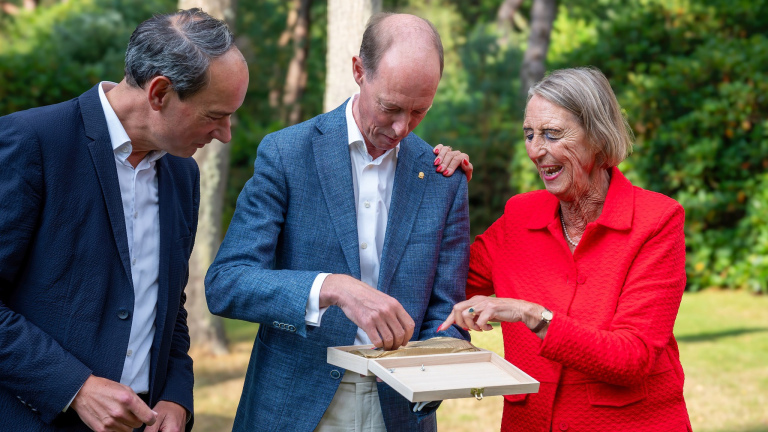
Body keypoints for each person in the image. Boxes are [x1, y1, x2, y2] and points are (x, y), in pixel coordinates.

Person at [205, 12, 471, 432]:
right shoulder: (286, 153)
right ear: (358, 71)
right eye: (391, 107)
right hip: (293, 408)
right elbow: (227, 284)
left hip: (400, 414)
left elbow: (447, 311)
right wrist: (330, 287)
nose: (402, 127)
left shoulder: (444, 179)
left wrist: (441, 360)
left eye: (420, 110)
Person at [0, 9, 248, 432]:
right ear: (159, 93)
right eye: (214, 115)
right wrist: (74, 388)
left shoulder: (183, 172)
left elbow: (169, 304)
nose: (226, 134)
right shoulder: (33, 142)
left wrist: (176, 394)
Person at [440, 67, 692, 431]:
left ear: (598, 135)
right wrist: (437, 187)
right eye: (529, 135)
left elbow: (632, 357)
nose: (536, 151)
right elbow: (439, 284)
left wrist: (531, 314)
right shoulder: (519, 215)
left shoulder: (657, 220)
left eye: (552, 134)